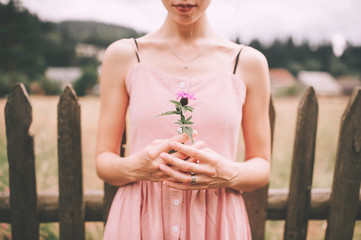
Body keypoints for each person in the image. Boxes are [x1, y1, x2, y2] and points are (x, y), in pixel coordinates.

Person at [95, 0, 271, 239]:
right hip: (140, 221)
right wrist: (136, 167)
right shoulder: (125, 56)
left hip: (215, 223)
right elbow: (104, 160)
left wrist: (227, 173)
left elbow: (261, 165)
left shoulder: (248, 62)